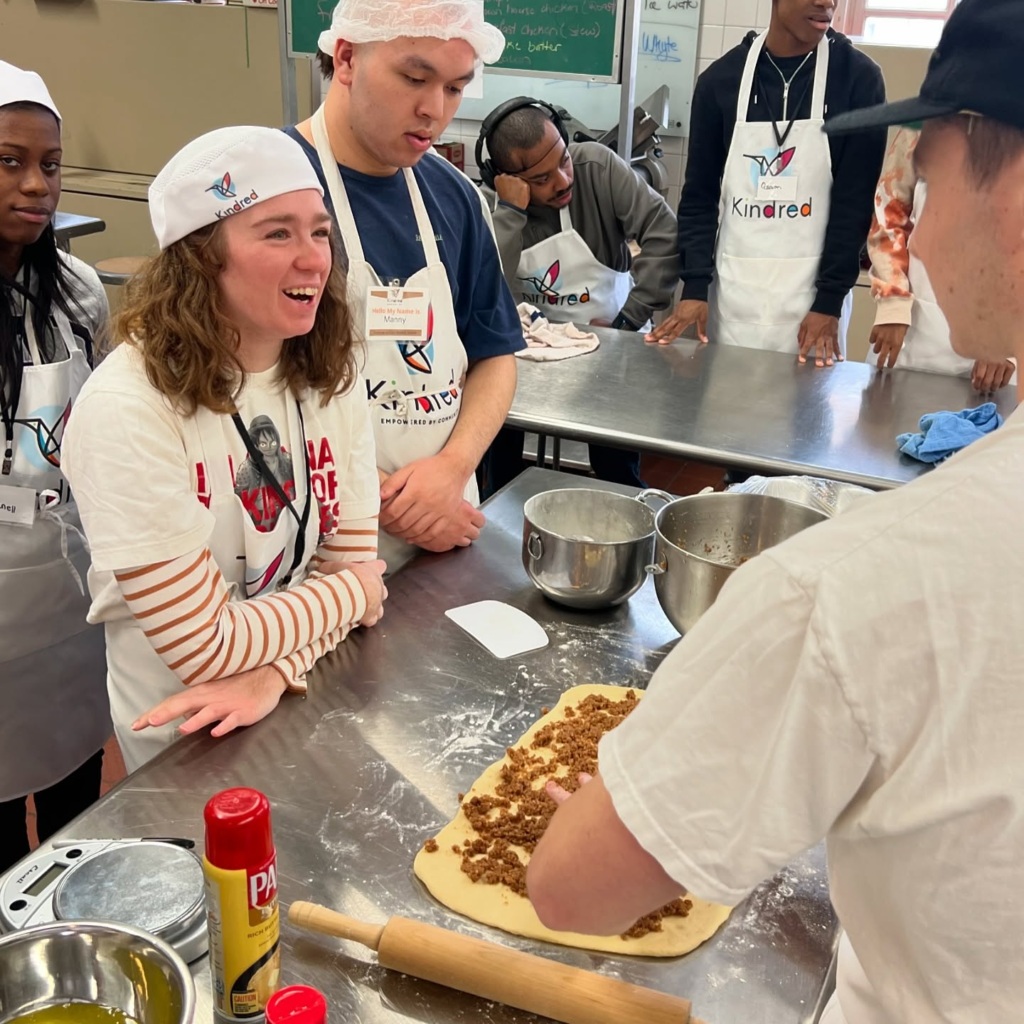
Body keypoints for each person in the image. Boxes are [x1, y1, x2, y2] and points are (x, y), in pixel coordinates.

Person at [526, 3, 1024, 1021]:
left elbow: (570, 885)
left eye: (923, 178)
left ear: (1014, 198)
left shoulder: (859, 586)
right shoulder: (725, 85)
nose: (913, 229)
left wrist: (615, 804)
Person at [62, 127, 387, 772]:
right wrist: (355, 595)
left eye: (319, 231)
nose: (314, 259)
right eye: (277, 233)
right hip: (187, 741)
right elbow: (206, 648)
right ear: (201, 256)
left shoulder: (327, 372)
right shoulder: (129, 409)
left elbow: (349, 562)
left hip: (304, 694)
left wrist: (274, 672)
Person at [286, 0, 524, 566]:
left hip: (443, 528)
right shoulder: (277, 191)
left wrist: (452, 468)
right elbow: (244, 387)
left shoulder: (456, 198)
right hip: (316, 540)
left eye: (455, 88)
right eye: (414, 78)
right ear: (346, 58)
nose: (433, 110)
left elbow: (495, 354)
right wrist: (384, 498)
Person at [0, 62, 111, 874]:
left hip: (67, 603)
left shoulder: (73, 291)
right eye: (9, 161)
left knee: (82, 817)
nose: (36, 185)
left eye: (50, 163)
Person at [648, 0, 886, 368]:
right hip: (732, 301)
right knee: (724, 417)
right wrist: (695, 287)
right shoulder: (719, 82)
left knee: (806, 421)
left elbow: (854, 204)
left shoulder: (857, 80)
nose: (828, 3)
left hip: (813, 310)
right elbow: (699, 197)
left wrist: (829, 301)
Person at [477, 97, 678, 490]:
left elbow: (663, 231)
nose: (563, 181)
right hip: (528, 357)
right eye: (540, 179)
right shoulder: (489, 205)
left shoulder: (598, 168)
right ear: (502, 178)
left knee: (616, 470)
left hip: (612, 346)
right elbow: (486, 283)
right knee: (499, 470)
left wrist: (626, 321)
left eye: (563, 161)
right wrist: (511, 213)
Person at [866, 125, 1016, 391]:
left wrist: (1009, 340)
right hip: (910, 334)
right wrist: (893, 302)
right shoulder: (921, 126)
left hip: (995, 361)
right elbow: (888, 213)